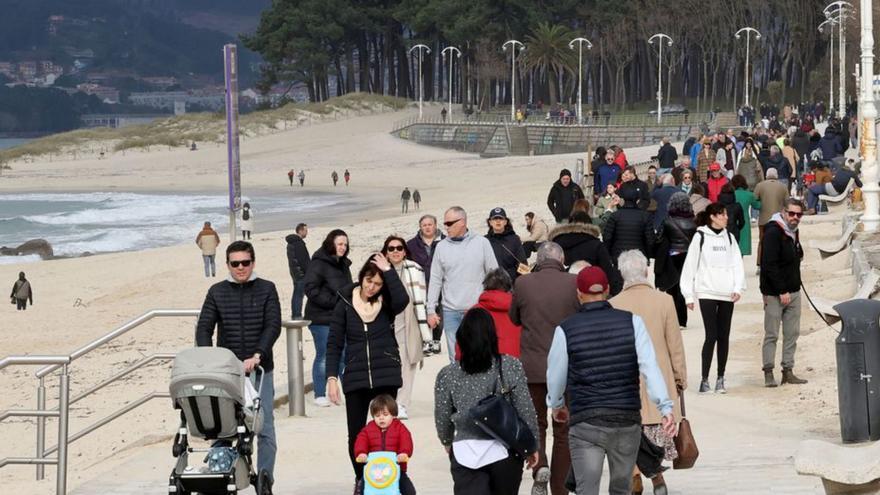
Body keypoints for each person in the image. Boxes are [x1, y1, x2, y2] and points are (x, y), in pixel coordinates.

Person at [546, 266, 675, 495]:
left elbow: (556, 376)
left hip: (586, 420)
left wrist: (556, 405)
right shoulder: (632, 322)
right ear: (607, 290)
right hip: (625, 418)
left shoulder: (566, 329)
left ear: (579, 293)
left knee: (587, 489)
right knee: (621, 488)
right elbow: (649, 367)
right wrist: (665, 406)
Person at [196, 241, 281, 488]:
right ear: (228, 265)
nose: (241, 268)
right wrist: (210, 358)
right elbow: (205, 327)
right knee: (223, 427)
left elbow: (272, 325)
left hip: (260, 370)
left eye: (245, 263)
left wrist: (258, 355)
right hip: (227, 372)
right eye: (235, 264)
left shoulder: (267, 289)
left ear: (253, 263)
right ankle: (220, 477)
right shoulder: (217, 291)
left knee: (263, 427)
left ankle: (265, 480)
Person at [434, 308, 540, 494]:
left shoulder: (447, 374)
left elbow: (442, 416)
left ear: (461, 338)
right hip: (504, 450)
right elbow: (525, 408)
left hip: (465, 450)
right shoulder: (510, 365)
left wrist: (447, 440)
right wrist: (532, 445)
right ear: (492, 336)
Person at [327, 253, 409, 491]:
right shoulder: (344, 301)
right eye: (369, 281)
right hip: (356, 375)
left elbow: (403, 300)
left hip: (386, 373)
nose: (372, 287)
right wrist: (332, 377)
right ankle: (363, 479)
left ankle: (391, 478)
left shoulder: (387, 304)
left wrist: (389, 271)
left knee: (389, 430)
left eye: (378, 284)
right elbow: (334, 343)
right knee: (356, 434)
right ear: (361, 277)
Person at [610, 250, 687, 495]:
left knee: (629, 434)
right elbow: (675, 344)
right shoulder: (664, 300)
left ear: (622, 274)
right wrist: (680, 378)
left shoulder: (613, 304)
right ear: (646, 271)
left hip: (626, 381)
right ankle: (657, 479)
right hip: (659, 378)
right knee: (656, 433)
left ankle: (634, 473)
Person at [509, 242, 580, 495]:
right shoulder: (574, 282)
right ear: (562, 259)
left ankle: (540, 466)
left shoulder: (522, 283)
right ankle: (560, 487)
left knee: (537, 422)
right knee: (563, 428)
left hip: (534, 366)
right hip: (566, 368)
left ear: (538, 260)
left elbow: (514, 318)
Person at [679, 203, 745, 394]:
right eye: (722, 214)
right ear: (713, 217)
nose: (726, 217)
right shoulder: (700, 237)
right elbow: (690, 266)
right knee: (711, 335)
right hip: (707, 292)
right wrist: (688, 295)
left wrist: (737, 287)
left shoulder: (730, 238)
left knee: (724, 336)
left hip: (726, 293)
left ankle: (721, 377)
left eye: (726, 214)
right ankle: (704, 378)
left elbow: (737, 264)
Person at [426, 207, 499, 362]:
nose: (446, 227)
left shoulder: (482, 243)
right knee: (455, 359)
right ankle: (458, 387)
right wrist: (431, 309)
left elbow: (494, 275)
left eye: (449, 223)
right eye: (444, 223)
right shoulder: (441, 246)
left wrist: (494, 305)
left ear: (463, 222)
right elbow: (435, 279)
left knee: (480, 355)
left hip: (477, 310)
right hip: (450, 311)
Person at [761, 198, 808, 387]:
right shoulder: (773, 232)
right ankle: (768, 372)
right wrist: (781, 290)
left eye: (799, 214)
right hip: (775, 292)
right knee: (772, 333)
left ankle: (788, 370)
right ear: (783, 212)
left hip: (794, 290)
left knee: (792, 333)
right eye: (792, 213)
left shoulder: (793, 231)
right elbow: (769, 265)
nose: (795, 217)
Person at [382, 236, 431, 418]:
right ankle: (387, 401)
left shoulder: (415, 269)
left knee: (408, 362)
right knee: (388, 363)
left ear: (404, 250)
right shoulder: (378, 269)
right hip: (385, 321)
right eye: (391, 248)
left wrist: (426, 321)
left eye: (399, 248)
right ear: (386, 251)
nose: (395, 251)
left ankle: (402, 404)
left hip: (409, 319)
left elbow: (422, 299)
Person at [303, 229, 353, 407]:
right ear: (331, 243)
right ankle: (319, 393)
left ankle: (349, 391)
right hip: (320, 318)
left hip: (341, 317)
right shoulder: (318, 263)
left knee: (344, 354)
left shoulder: (343, 264)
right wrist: (332, 302)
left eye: (345, 244)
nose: (343, 247)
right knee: (324, 354)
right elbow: (309, 288)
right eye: (340, 244)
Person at [353, 395, 416, 495]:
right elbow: (361, 440)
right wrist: (361, 453)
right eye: (377, 416)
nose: (381, 418)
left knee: (409, 491)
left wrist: (404, 453)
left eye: (385, 414)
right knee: (362, 490)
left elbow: (406, 440)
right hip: (373, 470)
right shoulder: (369, 429)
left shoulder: (399, 428)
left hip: (396, 468)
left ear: (393, 414)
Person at [549, 211, 623, 295]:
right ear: (589, 225)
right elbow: (608, 273)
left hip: (562, 292)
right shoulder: (596, 245)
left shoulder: (556, 245)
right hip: (591, 293)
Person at [654, 193, 697, 329]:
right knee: (683, 288)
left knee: (672, 287)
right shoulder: (694, 221)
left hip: (672, 256)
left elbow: (659, 239)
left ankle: (674, 318)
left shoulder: (667, 221)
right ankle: (682, 320)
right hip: (688, 256)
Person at [407, 215, 445, 355]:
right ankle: (425, 341)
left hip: (441, 283)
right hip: (420, 284)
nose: (427, 227)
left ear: (435, 225)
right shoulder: (411, 244)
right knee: (420, 313)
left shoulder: (445, 241)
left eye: (430, 224)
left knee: (439, 312)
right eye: (424, 225)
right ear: (420, 227)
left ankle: (436, 340)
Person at [470, 268, 521, 358]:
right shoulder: (521, 311)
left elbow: (462, 345)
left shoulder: (473, 312)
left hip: (482, 365)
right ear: (509, 286)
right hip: (515, 364)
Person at [602, 186, 654, 261]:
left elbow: (607, 237)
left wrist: (610, 254)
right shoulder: (645, 216)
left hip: (618, 256)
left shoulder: (615, 215)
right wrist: (648, 256)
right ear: (638, 200)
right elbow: (650, 239)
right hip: (639, 257)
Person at [754, 168, 789, 271]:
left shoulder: (760, 185)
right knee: (779, 242)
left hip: (764, 220)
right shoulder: (783, 187)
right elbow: (787, 202)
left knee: (762, 241)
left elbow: (754, 200)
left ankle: (760, 265)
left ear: (766, 175)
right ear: (776, 175)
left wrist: (761, 205)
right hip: (778, 221)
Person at [485, 207, 527, 282]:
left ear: (505, 222)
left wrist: (523, 282)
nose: (498, 221)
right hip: (492, 284)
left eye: (501, 218)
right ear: (490, 222)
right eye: (495, 219)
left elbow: (522, 263)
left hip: (511, 283)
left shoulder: (514, 239)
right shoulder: (484, 240)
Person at [732, 175, 761, 257]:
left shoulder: (732, 194)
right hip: (744, 221)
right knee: (742, 245)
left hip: (732, 220)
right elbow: (758, 206)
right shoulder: (749, 195)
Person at [285, 223, 310, 319]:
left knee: (297, 294)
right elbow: (303, 260)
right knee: (299, 295)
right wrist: (308, 271)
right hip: (300, 273)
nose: (306, 232)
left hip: (295, 273)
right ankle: (297, 315)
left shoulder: (291, 243)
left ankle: (296, 314)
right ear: (300, 231)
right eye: (305, 230)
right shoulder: (298, 243)